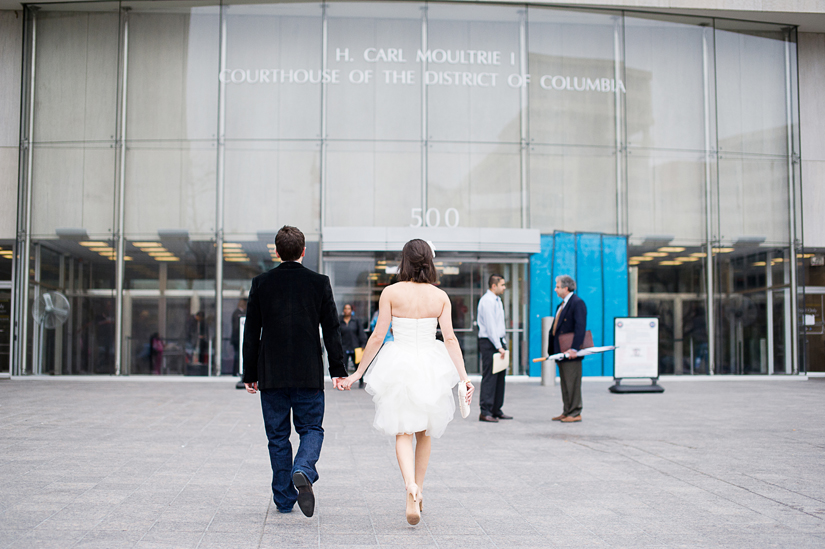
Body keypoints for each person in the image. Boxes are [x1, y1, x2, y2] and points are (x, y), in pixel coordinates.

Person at [338, 239, 474, 526]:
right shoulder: (440, 297)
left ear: (405, 261)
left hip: (398, 363)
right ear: (429, 261)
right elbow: (449, 339)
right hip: (430, 364)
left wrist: (357, 374)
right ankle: (420, 490)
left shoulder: (390, 292)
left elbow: (377, 337)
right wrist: (463, 377)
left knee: (403, 431)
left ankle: (409, 486)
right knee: (425, 431)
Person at [242, 226, 348, 517]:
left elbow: (251, 332)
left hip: (272, 373)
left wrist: (249, 373)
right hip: (307, 372)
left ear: (277, 252)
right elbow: (331, 329)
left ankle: (284, 498)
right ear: (304, 251)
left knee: (277, 436)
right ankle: (303, 468)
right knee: (311, 428)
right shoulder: (319, 283)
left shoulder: (261, 283)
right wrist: (338, 370)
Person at [549, 275, 587, 423]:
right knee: (565, 382)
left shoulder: (577, 303)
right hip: (561, 352)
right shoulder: (563, 304)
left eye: (557, 287)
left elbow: (580, 327)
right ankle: (567, 411)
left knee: (572, 382)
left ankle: (575, 411)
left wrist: (574, 349)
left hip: (571, 352)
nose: (555, 289)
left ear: (566, 288)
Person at [476, 274, 512, 423]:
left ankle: (496, 409)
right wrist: (498, 346)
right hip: (489, 342)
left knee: (500, 377)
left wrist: (501, 344)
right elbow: (490, 326)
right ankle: (485, 411)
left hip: (498, 341)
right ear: (494, 285)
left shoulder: (497, 300)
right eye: (502, 285)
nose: (504, 288)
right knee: (490, 377)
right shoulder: (487, 301)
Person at [339, 304, 367, 387]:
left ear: (351, 310)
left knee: (357, 365)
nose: (347, 310)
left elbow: (361, 333)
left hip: (355, 346)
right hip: (344, 346)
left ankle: (361, 381)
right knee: (344, 366)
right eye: (345, 309)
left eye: (348, 309)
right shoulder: (340, 321)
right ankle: (343, 383)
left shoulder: (356, 320)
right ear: (343, 310)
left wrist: (363, 344)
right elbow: (337, 334)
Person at [231, 298, 247, 389]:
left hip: (237, 338)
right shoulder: (237, 314)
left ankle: (236, 371)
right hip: (238, 339)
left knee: (238, 355)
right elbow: (236, 328)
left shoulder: (237, 313)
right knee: (238, 355)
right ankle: (236, 371)